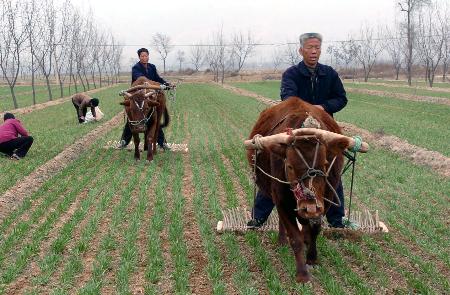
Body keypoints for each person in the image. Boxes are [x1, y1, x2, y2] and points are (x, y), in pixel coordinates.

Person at [247, 32, 348, 229]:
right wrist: (307, 110)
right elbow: (289, 98)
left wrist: (323, 108)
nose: (313, 51)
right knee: (276, 171)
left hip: (322, 133)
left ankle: (337, 219)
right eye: (310, 47)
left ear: (320, 50)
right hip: (294, 133)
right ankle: (259, 217)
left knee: (331, 172)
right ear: (301, 50)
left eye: (317, 48)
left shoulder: (330, 74)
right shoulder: (291, 74)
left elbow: (341, 98)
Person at [119, 47, 172, 150]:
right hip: (137, 97)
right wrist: (148, 82)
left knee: (154, 118)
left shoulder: (152, 67)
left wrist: (166, 84)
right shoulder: (136, 68)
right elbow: (140, 78)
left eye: (146, 55)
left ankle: (162, 142)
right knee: (133, 119)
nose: (144, 57)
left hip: (149, 95)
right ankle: (124, 141)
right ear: (139, 57)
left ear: (148, 56)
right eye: (142, 56)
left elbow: (158, 79)